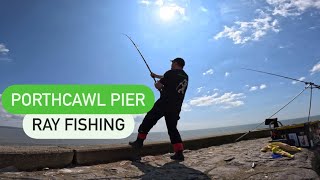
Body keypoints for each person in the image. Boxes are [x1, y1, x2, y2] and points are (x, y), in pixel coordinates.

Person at [129, 57, 189, 161]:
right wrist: (156, 75)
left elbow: (159, 84)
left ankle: (138, 143)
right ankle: (179, 153)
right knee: (172, 129)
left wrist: (157, 85)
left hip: (164, 103)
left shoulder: (170, 73)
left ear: (175, 63)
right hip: (176, 106)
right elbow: (169, 78)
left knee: (148, 121)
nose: (171, 64)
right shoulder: (185, 76)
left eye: (172, 63)